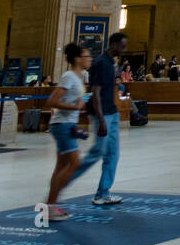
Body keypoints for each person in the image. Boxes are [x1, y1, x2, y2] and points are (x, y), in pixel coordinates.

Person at [67, 32, 128, 206]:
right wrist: (101, 120)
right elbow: (96, 92)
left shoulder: (110, 63)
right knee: (98, 152)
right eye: (122, 46)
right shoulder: (101, 63)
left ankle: (103, 192)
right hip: (104, 115)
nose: (125, 49)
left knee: (112, 154)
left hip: (112, 112)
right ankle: (66, 179)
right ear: (114, 44)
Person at [43, 42, 93, 222]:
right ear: (77, 59)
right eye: (87, 56)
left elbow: (81, 99)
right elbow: (52, 101)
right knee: (74, 164)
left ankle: (51, 204)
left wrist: (86, 99)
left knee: (61, 167)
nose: (89, 59)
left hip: (69, 125)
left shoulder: (80, 78)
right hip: (62, 124)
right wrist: (73, 107)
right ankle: (50, 204)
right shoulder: (68, 76)